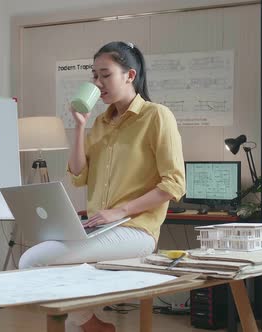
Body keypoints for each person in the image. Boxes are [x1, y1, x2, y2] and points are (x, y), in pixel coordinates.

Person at [18, 41, 185, 332]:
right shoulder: (99, 123)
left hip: (137, 230)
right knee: (69, 320)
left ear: (129, 75)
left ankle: (94, 324)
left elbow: (174, 184)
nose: (98, 83)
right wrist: (80, 126)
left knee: (33, 260)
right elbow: (78, 175)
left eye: (105, 74)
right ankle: (90, 324)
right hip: (100, 227)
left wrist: (119, 212)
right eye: (94, 76)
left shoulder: (156, 116)